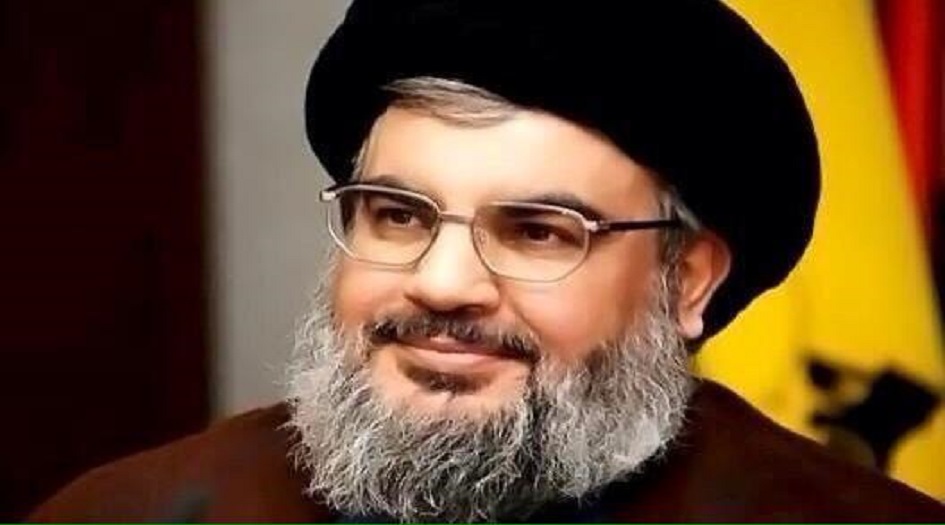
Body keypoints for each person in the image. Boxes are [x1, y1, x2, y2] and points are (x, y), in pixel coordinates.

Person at [29, 0, 945, 522]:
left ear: (686, 280)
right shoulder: (134, 513)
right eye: (396, 215)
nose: (440, 283)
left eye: (537, 231)